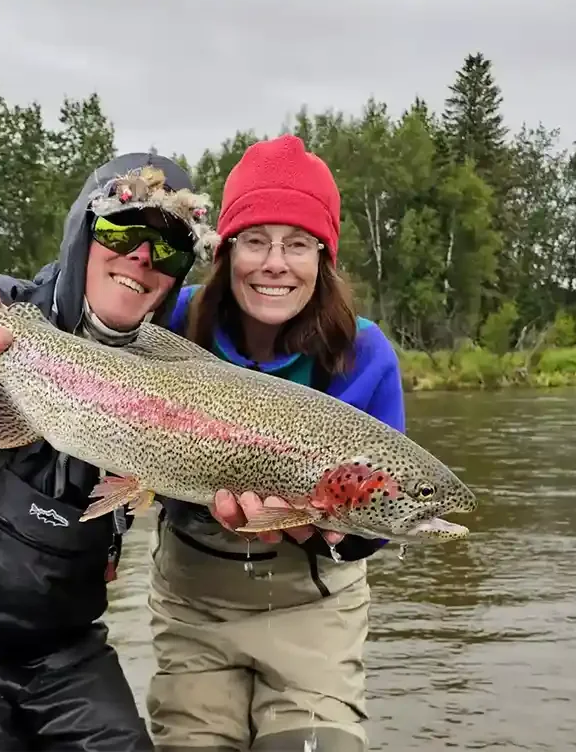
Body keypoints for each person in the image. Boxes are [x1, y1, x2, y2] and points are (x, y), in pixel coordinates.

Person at [0, 153, 219, 752]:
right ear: (84, 229)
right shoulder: (0, 306)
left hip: (66, 651)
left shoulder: (174, 374)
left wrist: (245, 507)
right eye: (125, 229)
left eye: (168, 250)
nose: (142, 257)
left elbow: (183, 498)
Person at [144, 134, 405, 752]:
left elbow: (381, 520)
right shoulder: (172, 323)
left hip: (313, 615)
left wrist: (335, 529)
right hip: (194, 609)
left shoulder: (364, 354)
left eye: (298, 244)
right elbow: (84, 307)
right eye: (255, 241)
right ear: (226, 250)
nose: (274, 263)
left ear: (324, 258)